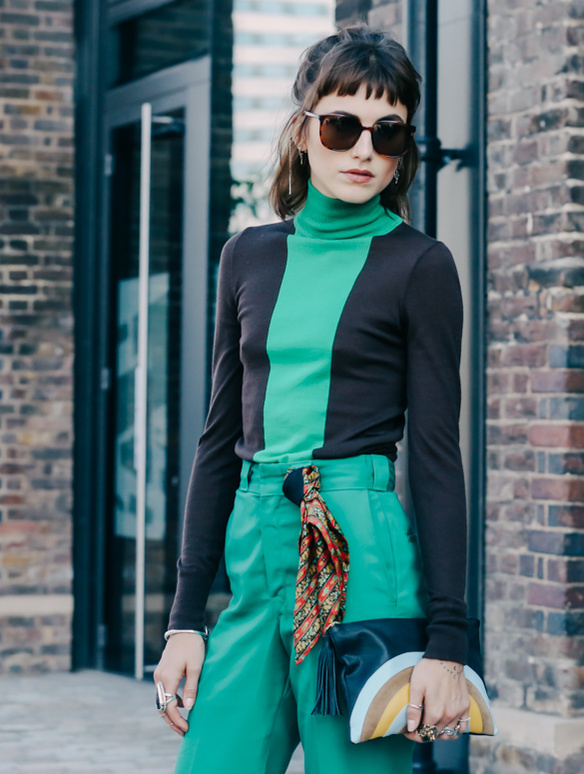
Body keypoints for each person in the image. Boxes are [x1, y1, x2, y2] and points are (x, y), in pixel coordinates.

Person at [152, 25, 471, 773]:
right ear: (304, 132)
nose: (363, 149)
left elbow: (433, 455)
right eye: (342, 126)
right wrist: (185, 620)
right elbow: (216, 439)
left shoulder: (420, 265)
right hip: (257, 547)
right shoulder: (248, 255)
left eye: (386, 132)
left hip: (360, 552)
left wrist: (447, 641)